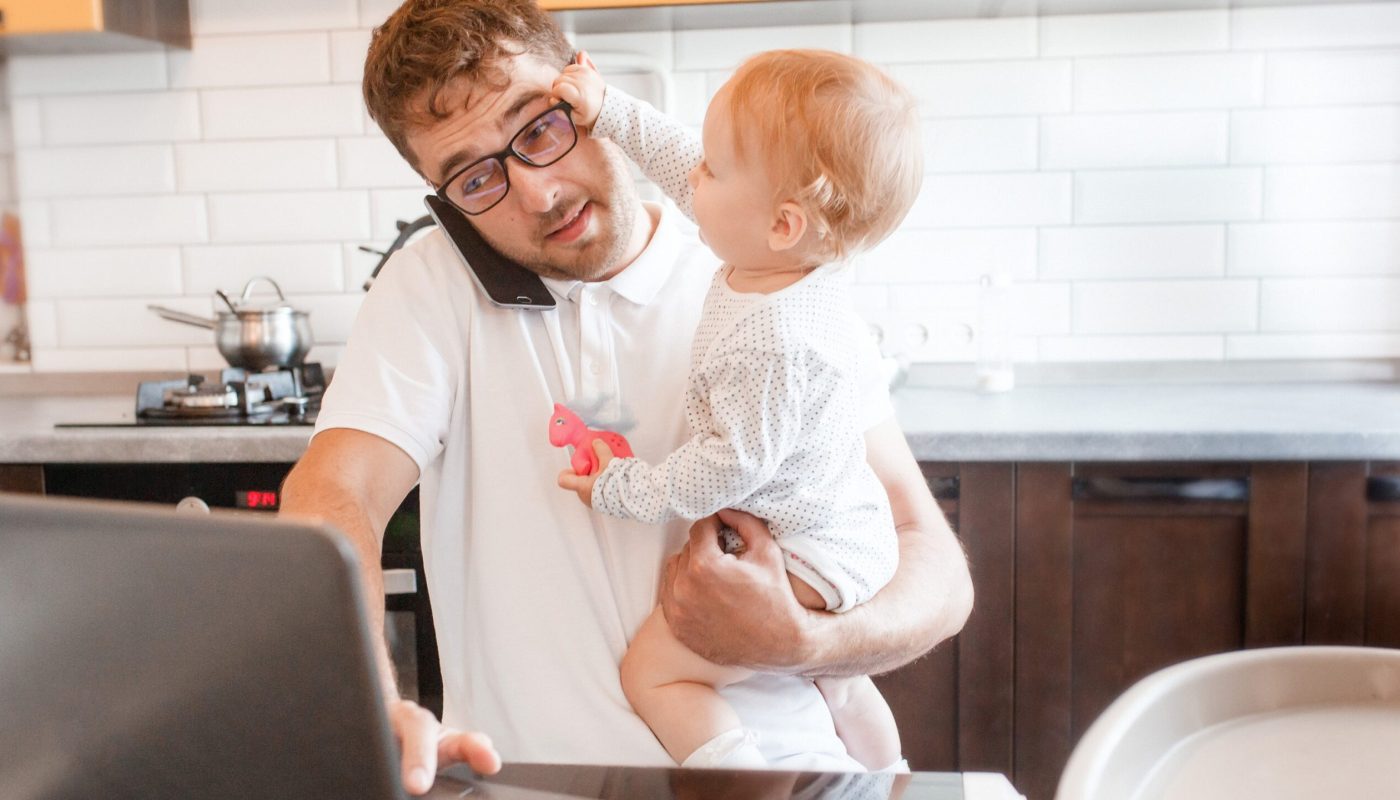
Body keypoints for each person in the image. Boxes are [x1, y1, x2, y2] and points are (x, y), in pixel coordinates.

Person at [277, 0, 973, 795]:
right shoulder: (432, 286)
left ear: (584, 91)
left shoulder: (763, 283)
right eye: (476, 177)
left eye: (539, 128)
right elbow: (335, 492)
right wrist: (365, 699)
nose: (537, 194)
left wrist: (803, 642)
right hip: (536, 786)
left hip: (793, 779)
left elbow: (932, 565)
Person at [552, 50, 919, 772]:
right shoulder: (785, 259)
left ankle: (742, 784)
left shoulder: (772, 341)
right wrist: (609, 111)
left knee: (656, 674)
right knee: (839, 686)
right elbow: (680, 156)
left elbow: (728, 466)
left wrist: (622, 488)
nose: (694, 176)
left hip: (811, 552)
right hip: (848, 532)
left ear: (782, 221)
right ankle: (893, 779)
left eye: (714, 169)